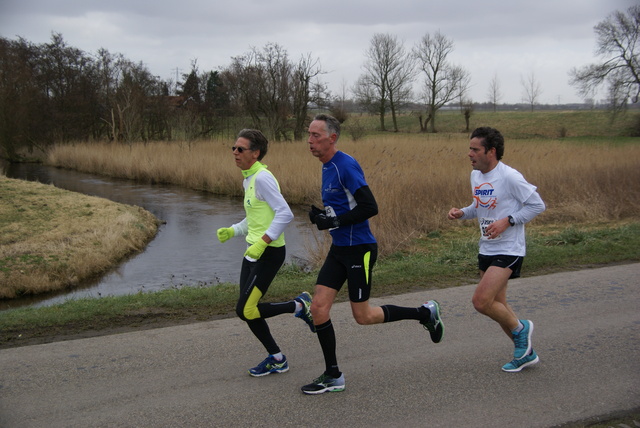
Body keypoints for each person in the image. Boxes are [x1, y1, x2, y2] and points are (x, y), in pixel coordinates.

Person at [301, 114, 444, 395]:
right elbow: (343, 208)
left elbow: (370, 206)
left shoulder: (344, 165)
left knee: (363, 316)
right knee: (318, 308)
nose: (310, 140)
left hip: (359, 250)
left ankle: (424, 313)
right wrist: (323, 216)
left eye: (316, 135)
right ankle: (333, 375)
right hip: (339, 248)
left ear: (332, 138)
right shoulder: (326, 166)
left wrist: (335, 222)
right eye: (309, 134)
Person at [216, 129, 315, 377]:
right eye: (233, 148)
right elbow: (255, 218)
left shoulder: (262, 178)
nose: (235, 153)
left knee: (246, 310)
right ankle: (277, 358)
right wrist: (233, 230)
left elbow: (285, 213)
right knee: (247, 310)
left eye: (240, 149)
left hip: (269, 253)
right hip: (252, 254)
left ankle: (298, 306)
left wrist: (263, 242)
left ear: (255, 153)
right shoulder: (247, 180)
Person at [447, 126, 546, 373]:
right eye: (469, 149)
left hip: (509, 248)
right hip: (487, 247)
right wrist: (462, 212)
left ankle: (522, 329)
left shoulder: (509, 176)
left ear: (491, 151)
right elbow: (479, 206)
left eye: (474, 149)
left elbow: (537, 205)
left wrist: (508, 221)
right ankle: (525, 353)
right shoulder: (476, 176)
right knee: (498, 306)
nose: (469, 154)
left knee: (481, 301)